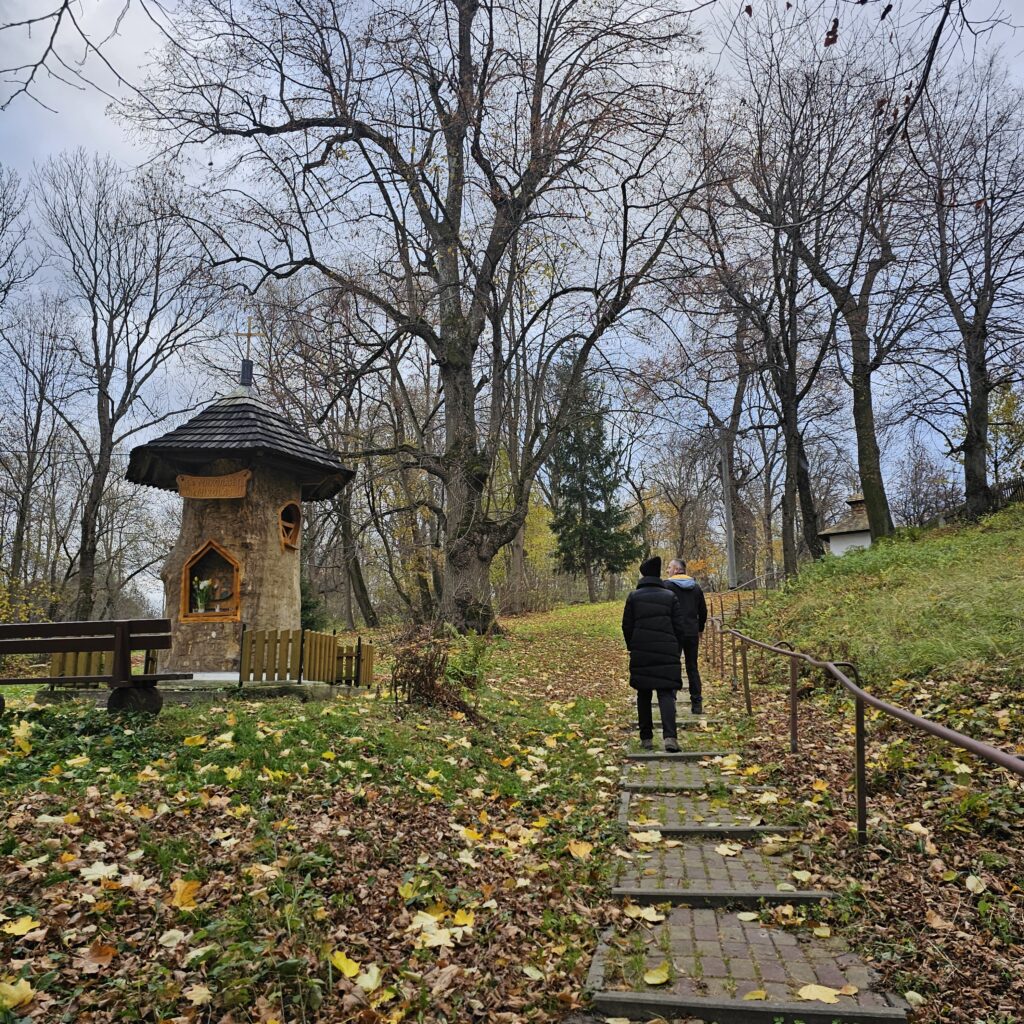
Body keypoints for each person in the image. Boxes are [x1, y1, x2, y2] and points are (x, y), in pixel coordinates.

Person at [621, 555, 687, 752]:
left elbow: (627, 626)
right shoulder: (670, 597)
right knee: (666, 693)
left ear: (643, 575)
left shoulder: (634, 597)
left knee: (643, 693)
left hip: (642, 651)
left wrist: (632, 646)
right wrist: (675, 649)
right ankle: (670, 737)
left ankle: (646, 738)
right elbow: (679, 627)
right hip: (667, 651)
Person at [663, 558, 708, 715]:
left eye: (669, 567)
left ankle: (671, 702)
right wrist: (700, 629)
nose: (667, 570)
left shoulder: (667, 586)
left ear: (676, 570)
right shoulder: (695, 588)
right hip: (691, 632)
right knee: (692, 667)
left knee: (672, 667)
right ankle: (696, 703)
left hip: (673, 633)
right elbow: (703, 611)